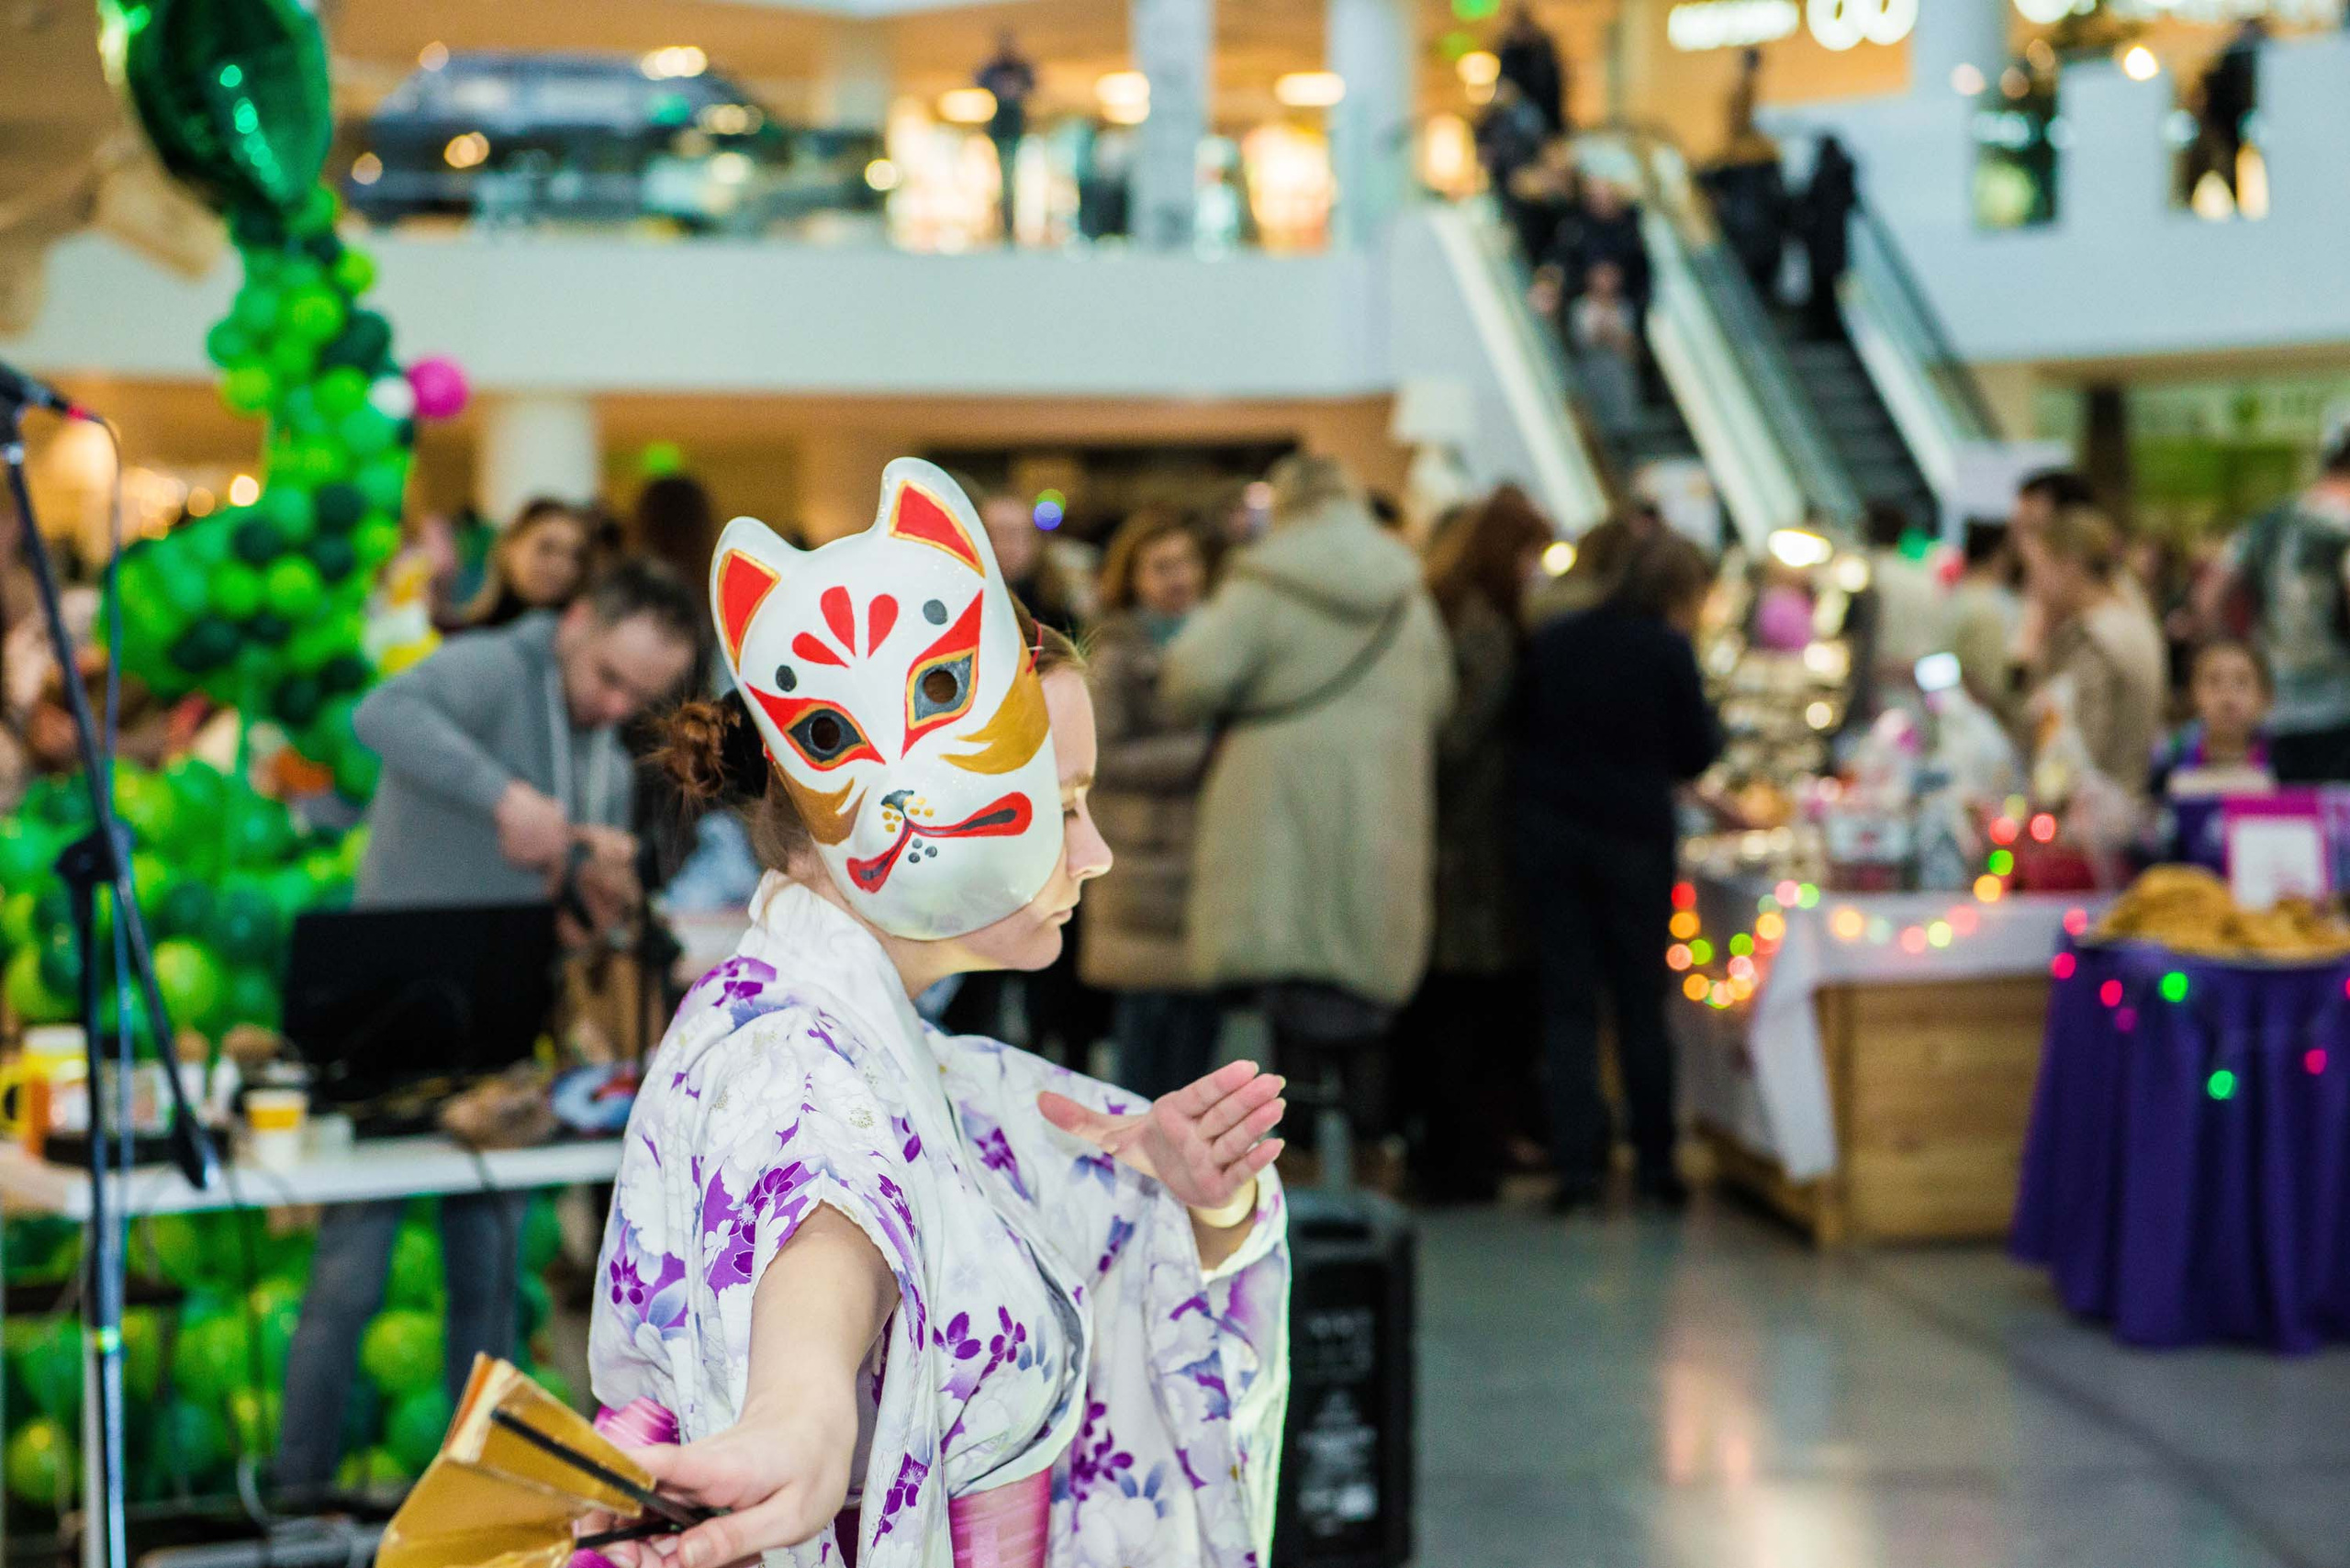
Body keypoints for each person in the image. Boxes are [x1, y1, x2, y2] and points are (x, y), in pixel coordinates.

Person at [585, 460, 1288, 1568]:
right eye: (1061, 807)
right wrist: (801, 1409)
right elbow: (826, 1206)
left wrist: (1189, 1202)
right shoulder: (788, 1060)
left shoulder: (895, 1048)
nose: (1095, 854)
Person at [276, 560, 702, 1491]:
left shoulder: (589, 722)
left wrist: (593, 870)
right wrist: (503, 798)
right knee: (349, 1278)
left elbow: (556, 860)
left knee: (492, 1279)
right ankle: (293, 1496)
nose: (614, 702)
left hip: (500, 1026)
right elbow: (380, 714)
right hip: (387, 1022)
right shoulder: (492, 665)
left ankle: (484, 1504)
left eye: (639, 693)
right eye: (608, 677)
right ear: (576, 617)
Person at [1160, 454, 1453, 1161]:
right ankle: (1372, 1149)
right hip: (1382, 803)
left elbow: (1191, 679)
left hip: (1274, 805)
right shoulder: (1404, 590)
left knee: (1287, 982)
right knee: (1363, 982)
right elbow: (1440, 696)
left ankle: (1291, 1163)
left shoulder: (1263, 583)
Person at [1517, 532, 1721, 1212]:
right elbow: (1696, 752)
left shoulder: (1556, 638)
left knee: (1569, 1010)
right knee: (1642, 1005)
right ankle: (1657, 1160)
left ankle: (1578, 1167)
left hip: (1554, 839)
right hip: (1634, 840)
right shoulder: (1666, 650)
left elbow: (1520, 729)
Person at [1406, 487, 1551, 1201]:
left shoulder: (1442, 606)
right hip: (1474, 843)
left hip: (1449, 840)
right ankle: (1465, 1161)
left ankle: (1449, 1152)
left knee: (1448, 1007)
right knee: (1472, 1009)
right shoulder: (1487, 626)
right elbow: (1460, 735)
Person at [1082, 510, 1221, 1101]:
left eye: (1186, 562)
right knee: (1147, 1031)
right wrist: (1204, 752)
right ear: (1133, 577)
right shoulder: (1115, 653)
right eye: (1162, 566)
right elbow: (1102, 756)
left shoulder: (1218, 643)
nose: (1178, 578)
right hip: (1144, 864)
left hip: (1207, 862)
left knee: (1200, 1033)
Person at [2196, 420, 2350, 782]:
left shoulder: (2268, 520)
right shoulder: (2343, 524)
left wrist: (2233, 655)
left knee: (2285, 821)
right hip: (2340, 706)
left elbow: (2208, 596)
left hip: (2272, 706)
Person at [2020, 504, 2165, 798]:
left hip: (2091, 824)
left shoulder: (2092, 637)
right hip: (2122, 806)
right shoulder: (2134, 618)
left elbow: (2076, 756)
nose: (2032, 586)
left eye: (2038, 570)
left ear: (2069, 566)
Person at [2147, 637, 2274, 868]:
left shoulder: (2284, 766)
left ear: (2265, 698)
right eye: (2214, 682)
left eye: (2242, 683)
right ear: (2194, 695)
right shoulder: (2171, 761)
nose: (2227, 697)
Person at [457, 496, 592, 631]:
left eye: (576, 556)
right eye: (547, 548)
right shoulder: (463, 636)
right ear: (510, 547)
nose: (562, 565)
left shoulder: (584, 640)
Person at [1945, 520, 2024, 732]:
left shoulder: (1951, 597)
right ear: (1999, 556)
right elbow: (1992, 683)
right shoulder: (2002, 606)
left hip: (1949, 711)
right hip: (1982, 720)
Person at [977, 31, 1038, 243]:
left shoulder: (1020, 69)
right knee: (1004, 177)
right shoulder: (993, 69)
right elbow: (979, 79)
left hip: (1013, 127)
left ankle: (1009, 226)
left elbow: (1033, 85)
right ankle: (1005, 226)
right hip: (1002, 127)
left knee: (1010, 177)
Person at [1571, 258, 1641, 439]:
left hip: (1619, 369)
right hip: (1593, 370)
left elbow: (1628, 342)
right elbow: (1588, 339)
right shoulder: (1582, 307)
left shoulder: (1624, 306)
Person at [1798, 133, 1858, 340]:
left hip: (1823, 244)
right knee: (1828, 289)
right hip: (1829, 244)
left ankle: (1826, 329)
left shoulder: (1827, 175)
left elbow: (1809, 202)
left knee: (1824, 290)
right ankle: (1829, 328)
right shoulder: (1839, 175)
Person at [1495, 3, 1568, 134]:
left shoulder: (1542, 49)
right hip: (1517, 113)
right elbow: (1505, 87)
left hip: (1541, 113)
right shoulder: (1508, 51)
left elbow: (1553, 89)